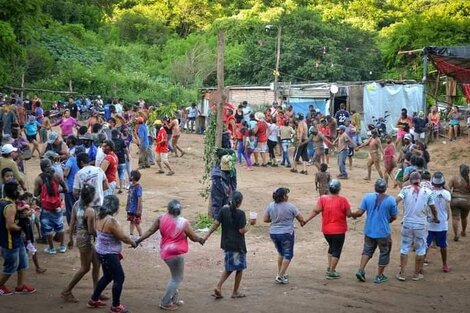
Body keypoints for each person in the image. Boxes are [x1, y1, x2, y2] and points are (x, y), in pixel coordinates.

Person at [135, 199, 205, 311]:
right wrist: (201, 239)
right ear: (179, 210)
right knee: (176, 278)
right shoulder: (183, 222)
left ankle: (174, 299)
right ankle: (165, 302)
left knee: (175, 276)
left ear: (169, 208)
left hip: (165, 252)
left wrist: (138, 241)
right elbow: (194, 238)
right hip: (176, 254)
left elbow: (150, 231)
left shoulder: (161, 218)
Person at [87, 195, 137, 313]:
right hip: (109, 254)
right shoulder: (111, 221)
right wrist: (133, 242)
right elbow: (122, 237)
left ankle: (94, 299)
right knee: (119, 277)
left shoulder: (98, 216)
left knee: (108, 276)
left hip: (101, 251)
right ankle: (115, 306)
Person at [204, 191, 252, 299]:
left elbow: (216, 224)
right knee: (238, 268)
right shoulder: (241, 214)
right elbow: (242, 230)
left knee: (229, 267)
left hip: (226, 243)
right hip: (238, 245)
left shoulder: (224, 210)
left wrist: (206, 236)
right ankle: (232, 291)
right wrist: (250, 224)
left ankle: (220, 287)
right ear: (240, 202)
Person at [351, 179, 398, 284]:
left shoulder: (367, 197)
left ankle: (361, 270)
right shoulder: (391, 200)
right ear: (385, 188)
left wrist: (352, 214)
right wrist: (387, 221)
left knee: (367, 251)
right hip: (383, 231)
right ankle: (379, 276)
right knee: (384, 252)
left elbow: (359, 213)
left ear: (375, 187)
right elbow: (394, 216)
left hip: (369, 230)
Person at [395, 172, 439, 281]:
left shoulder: (405, 190)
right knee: (421, 248)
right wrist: (436, 218)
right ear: (420, 180)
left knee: (405, 247)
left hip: (407, 223)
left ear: (410, 180)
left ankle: (402, 273)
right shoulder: (427, 192)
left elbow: (396, 201)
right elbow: (433, 208)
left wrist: (392, 212)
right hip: (421, 224)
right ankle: (416, 273)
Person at [304, 180, 352, 279]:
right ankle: (331, 271)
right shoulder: (343, 200)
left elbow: (315, 211)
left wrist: (306, 220)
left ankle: (329, 267)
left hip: (326, 231)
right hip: (339, 230)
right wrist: (356, 214)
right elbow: (349, 214)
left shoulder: (323, 199)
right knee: (336, 250)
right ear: (339, 189)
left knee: (331, 247)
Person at [62, 185, 101, 303]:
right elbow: (91, 230)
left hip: (80, 236)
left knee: (97, 263)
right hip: (86, 240)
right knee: (85, 268)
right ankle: (67, 290)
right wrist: (100, 234)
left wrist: (70, 238)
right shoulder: (90, 211)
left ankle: (97, 291)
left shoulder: (76, 204)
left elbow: (72, 222)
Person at [0, 181, 36, 296]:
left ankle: (20, 286)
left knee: (23, 263)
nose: (20, 191)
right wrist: (21, 228)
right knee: (11, 266)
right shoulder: (10, 206)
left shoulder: (5, 202)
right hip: (10, 240)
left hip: (15, 239)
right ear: (14, 191)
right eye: (18, 189)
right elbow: (10, 226)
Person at [264, 187, 306, 284]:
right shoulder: (290, 206)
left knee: (281, 253)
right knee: (288, 254)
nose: (287, 196)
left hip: (274, 233)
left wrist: (275, 219)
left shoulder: (271, 205)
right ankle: (280, 275)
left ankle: (281, 272)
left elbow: (265, 219)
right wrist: (302, 222)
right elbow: (300, 218)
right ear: (283, 196)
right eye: (286, 195)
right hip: (286, 233)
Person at [425, 172, 451, 273]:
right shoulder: (446, 194)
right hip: (442, 223)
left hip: (430, 222)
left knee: (426, 245)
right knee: (443, 245)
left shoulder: (428, 193)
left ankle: (420, 266)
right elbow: (447, 206)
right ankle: (444, 265)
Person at [448, 164, 470, 241]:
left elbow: (448, 188)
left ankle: (456, 235)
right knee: (464, 217)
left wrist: (450, 196)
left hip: (455, 200)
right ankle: (463, 231)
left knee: (455, 218)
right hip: (466, 202)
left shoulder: (454, 178)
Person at [126, 170, 143, 239]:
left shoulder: (138, 187)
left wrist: (139, 209)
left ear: (132, 177)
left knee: (136, 222)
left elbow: (140, 199)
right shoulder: (131, 186)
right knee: (131, 221)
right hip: (131, 208)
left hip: (135, 208)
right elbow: (129, 196)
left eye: (130, 175)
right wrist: (127, 205)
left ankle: (141, 236)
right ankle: (131, 235)